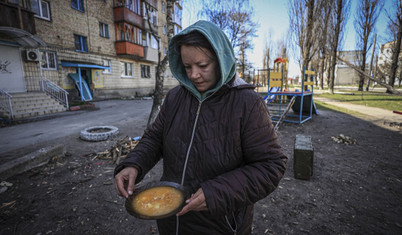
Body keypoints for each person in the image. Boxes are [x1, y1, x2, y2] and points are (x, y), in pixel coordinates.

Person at [114, 20, 287, 235]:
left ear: (220, 60)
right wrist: (134, 164)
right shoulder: (175, 97)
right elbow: (155, 137)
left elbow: (271, 166)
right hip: (170, 219)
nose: (194, 75)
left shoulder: (248, 103)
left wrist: (217, 193)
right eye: (187, 67)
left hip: (220, 223)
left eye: (202, 66)